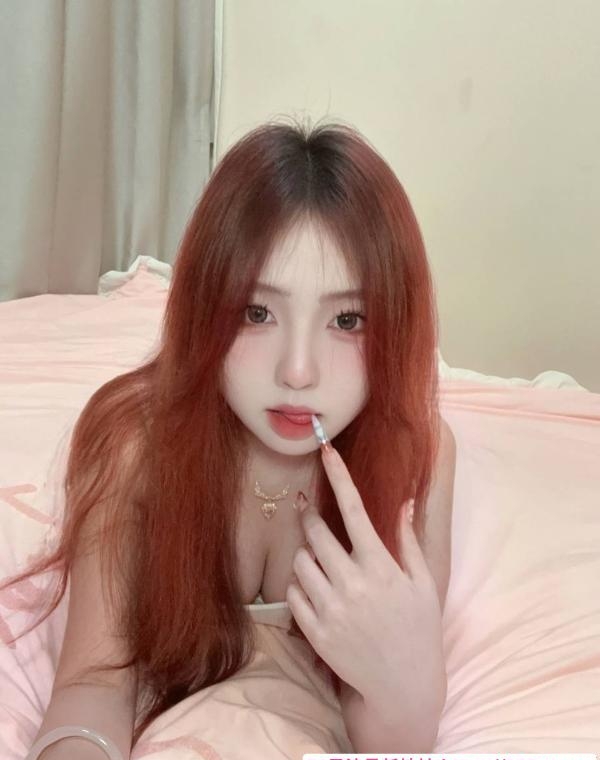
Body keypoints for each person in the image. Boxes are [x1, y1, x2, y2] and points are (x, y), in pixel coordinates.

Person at [6, 116, 451, 757]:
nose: (297, 372)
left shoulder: (415, 453)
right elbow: (94, 683)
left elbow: (395, 732)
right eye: (257, 311)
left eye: (348, 319)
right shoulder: (135, 444)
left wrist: (408, 683)